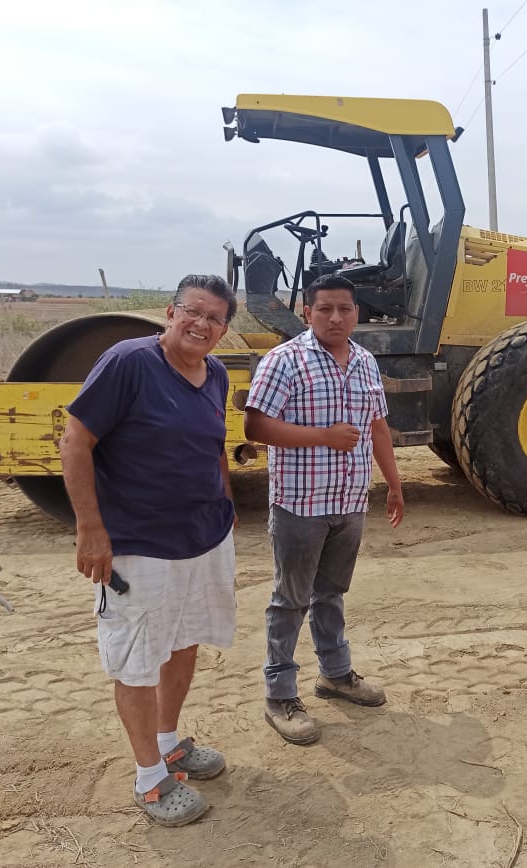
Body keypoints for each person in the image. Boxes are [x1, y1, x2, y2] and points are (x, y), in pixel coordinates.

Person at [59, 274, 238, 825]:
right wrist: (91, 528)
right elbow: (76, 440)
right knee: (136, 660)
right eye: (193, 311)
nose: (201, 324)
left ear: (224, 330)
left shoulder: (216, 373)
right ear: (170, 312)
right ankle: (149, 780)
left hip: (203, 539)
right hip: (139, 543)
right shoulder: (129, 363)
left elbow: (214, 446)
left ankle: (167, 743)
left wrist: (226, 501)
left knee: (183, 641)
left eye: (214, 318)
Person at [244, 273, 403, 746]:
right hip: (300, 503)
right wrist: (324, 437)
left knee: (331, 593)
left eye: (344, 309)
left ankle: (335, 674)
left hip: (349, 502)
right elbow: (256, 426)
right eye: (325, 309)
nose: (335, 318)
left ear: (357, 313)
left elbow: (377, 428)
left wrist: (394, 485)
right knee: (289, 601)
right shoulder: (284, 361)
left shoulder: (366, 362)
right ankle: (279, 695)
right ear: (307, 312)